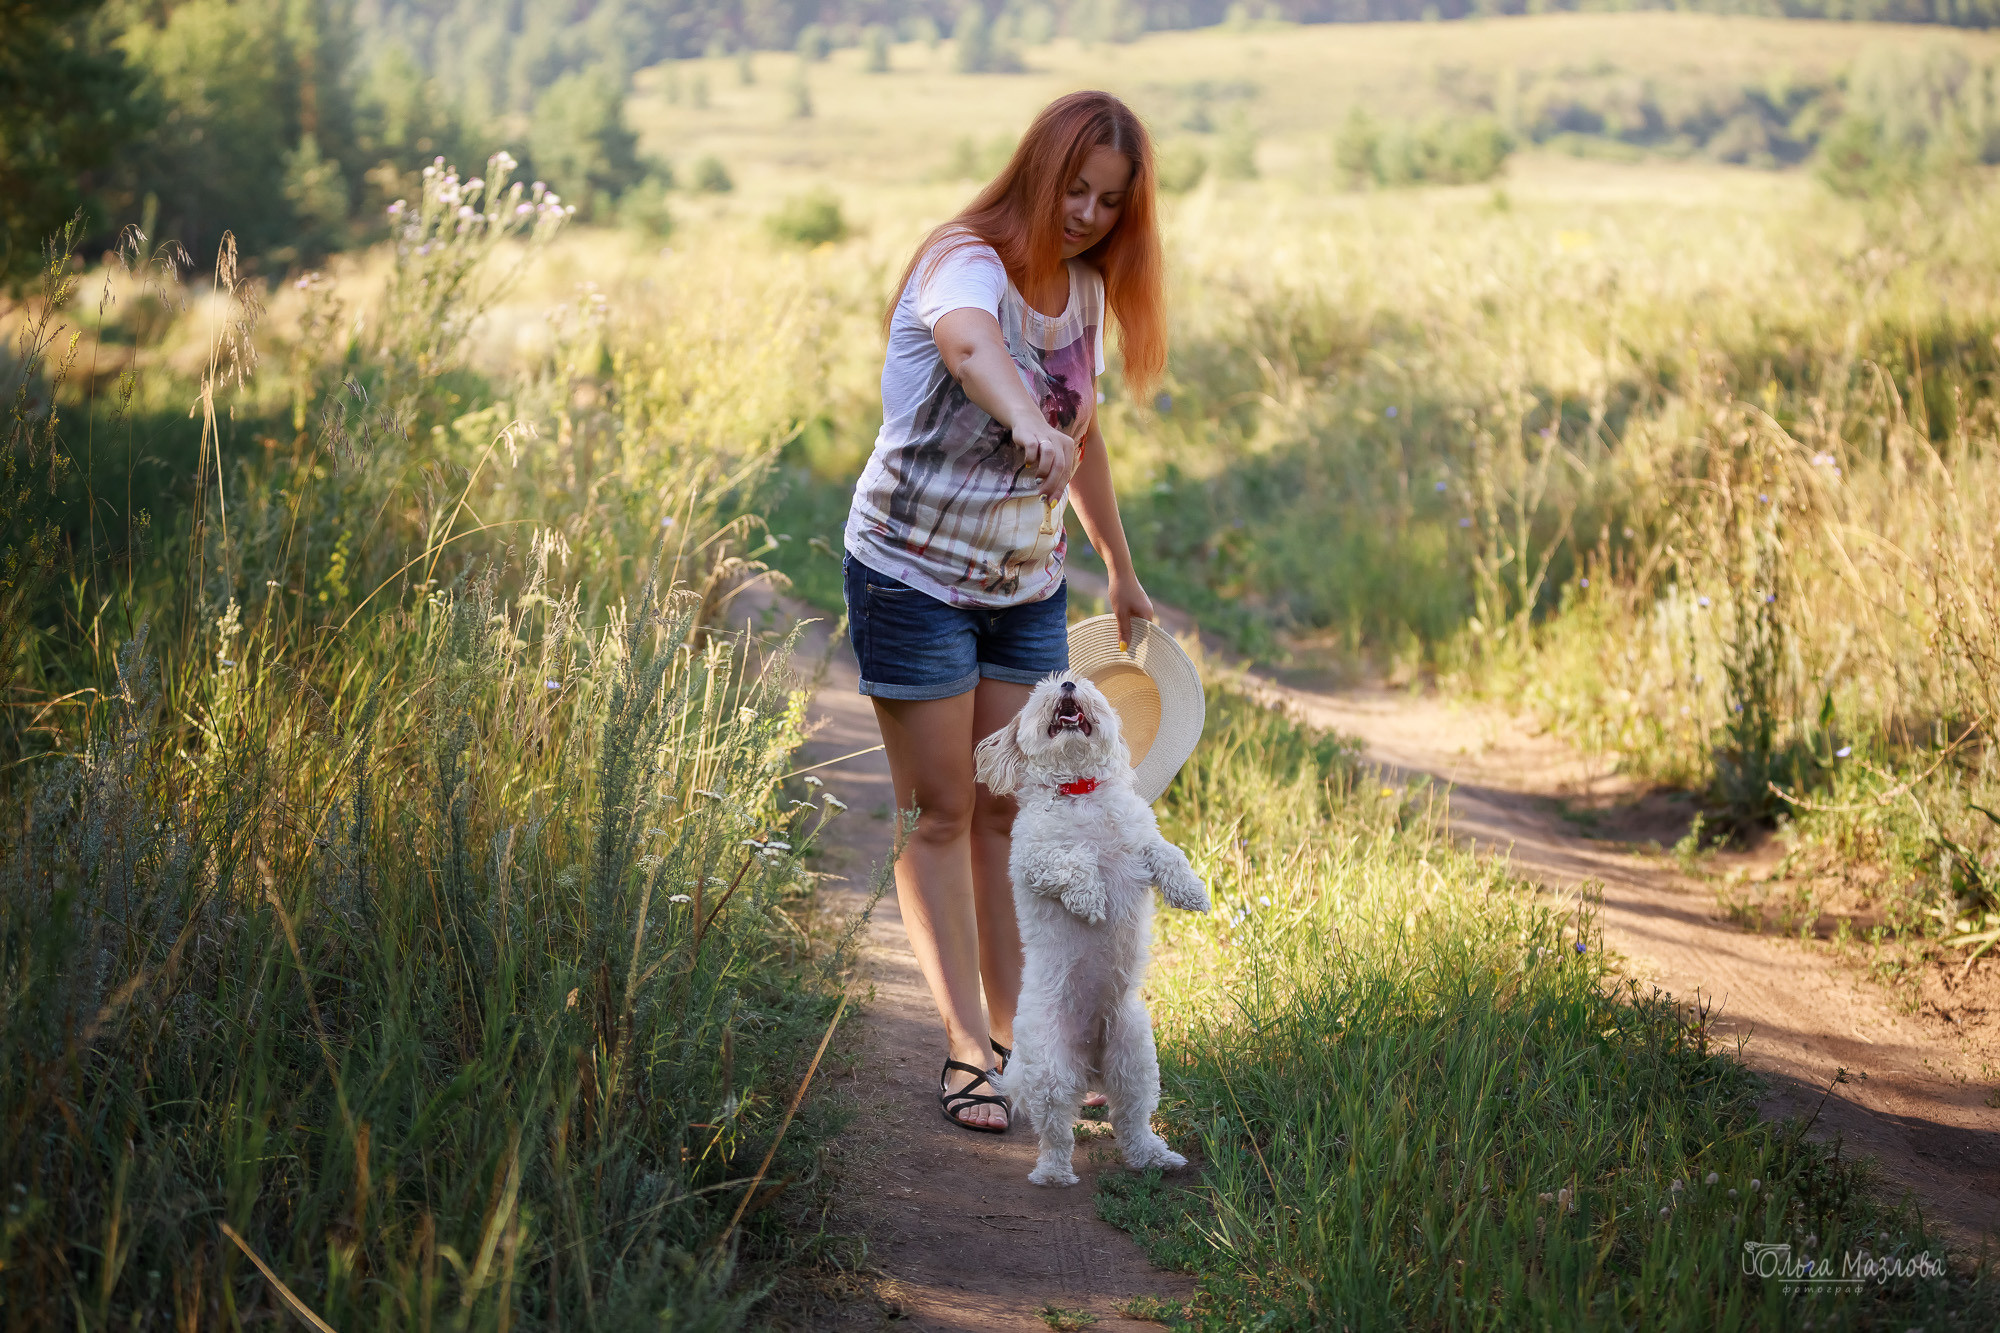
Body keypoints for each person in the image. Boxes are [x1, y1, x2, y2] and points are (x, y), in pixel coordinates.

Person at [841, 90, 1166, 1132]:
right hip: (911, 578)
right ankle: (962, 1047)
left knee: (1007, 811)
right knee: (940, 809)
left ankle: (1028, 1036)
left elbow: (1087, 433)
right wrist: (1021, 414)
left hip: (1024, 587)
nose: (1083, 213)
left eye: (1108, 202)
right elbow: (975, 349)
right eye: (1072, 187)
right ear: (1035, 168)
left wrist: (1116, 562)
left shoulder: (1080, 295)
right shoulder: (962, 261)